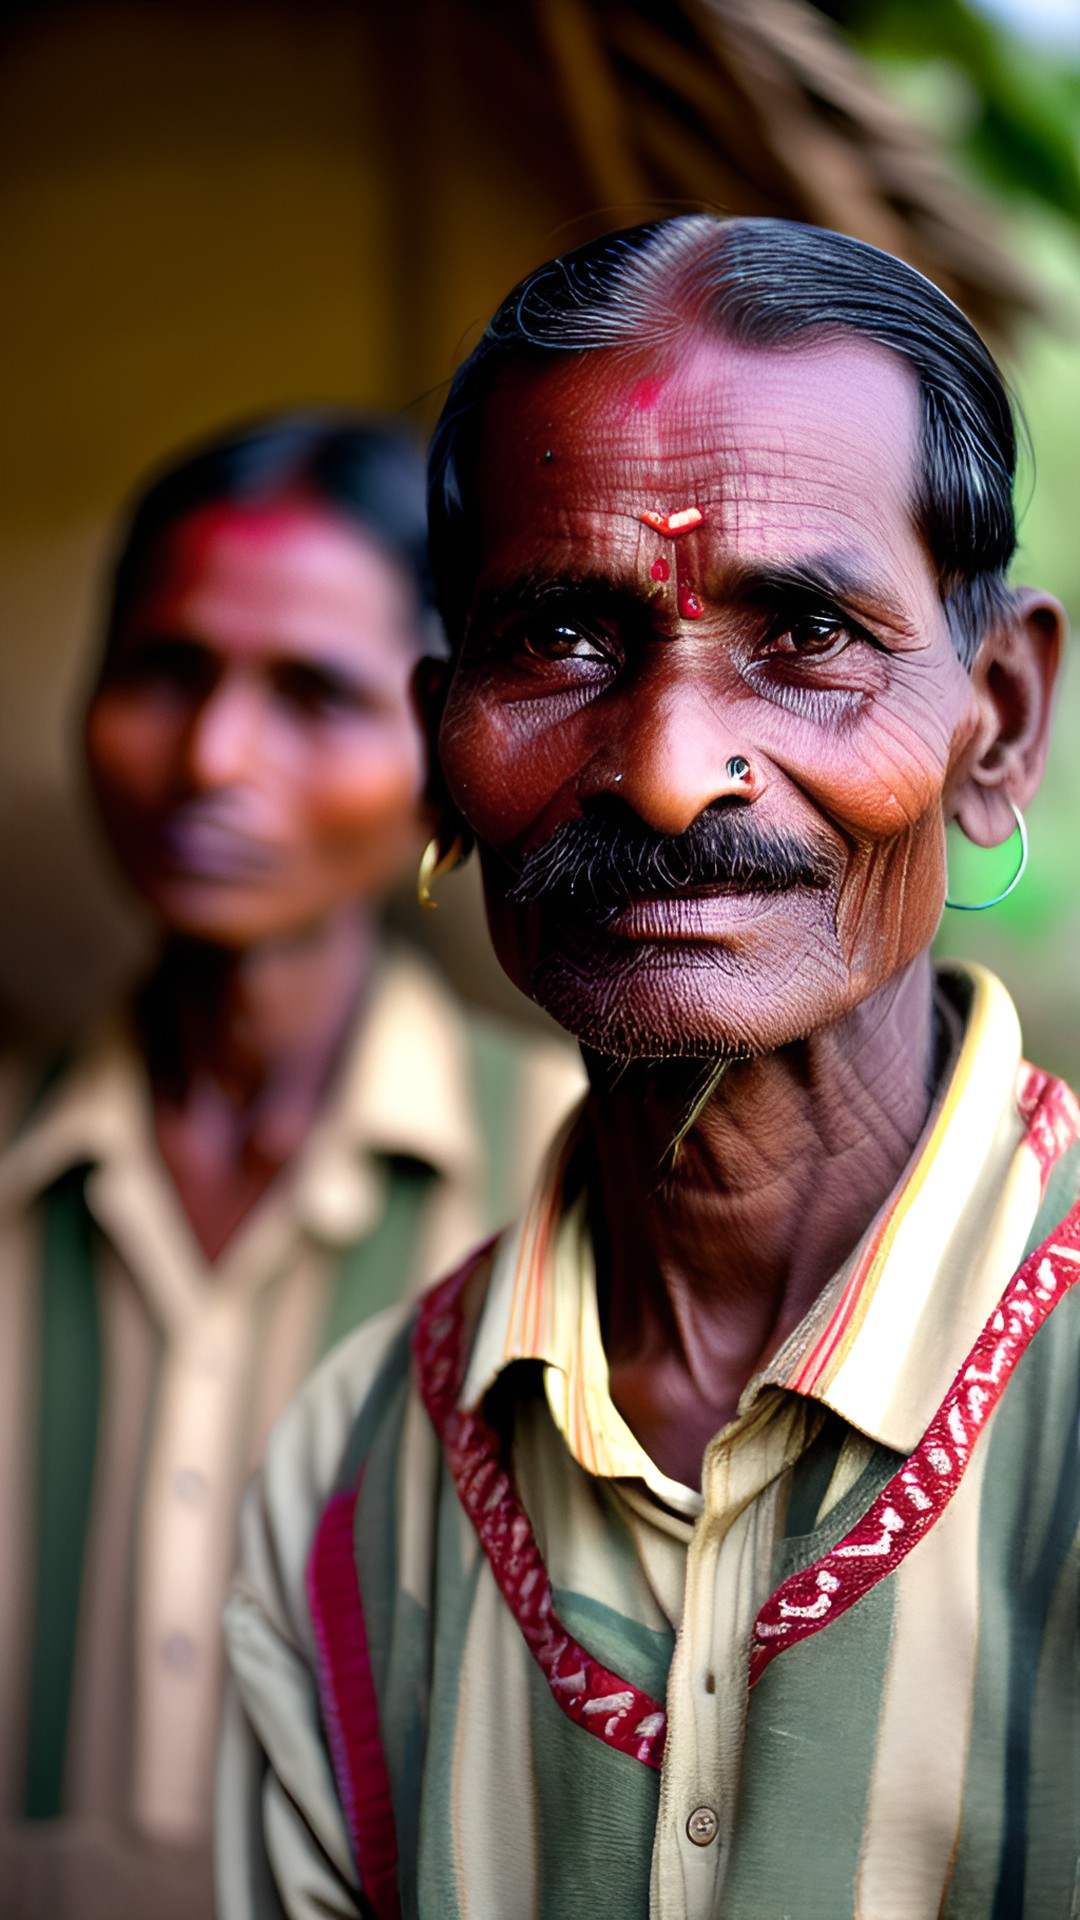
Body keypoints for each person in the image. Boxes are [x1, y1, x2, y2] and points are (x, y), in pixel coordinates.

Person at [219, 226, 1080, 1918]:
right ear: (441, 743)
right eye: (556, 638)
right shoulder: (349, 1480)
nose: (677, 772)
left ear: (999, 717)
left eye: (811, 633)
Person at [0, 414, 582, 1919]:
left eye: (314, 696)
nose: (211, 760)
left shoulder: (584, 1183)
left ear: (450, 750)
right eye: (165, 673)